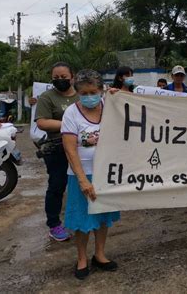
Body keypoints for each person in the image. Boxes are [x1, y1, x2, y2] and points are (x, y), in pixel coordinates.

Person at [62, 69, 120, 280]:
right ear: (77, 92)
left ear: (101, 90)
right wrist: (82, 179)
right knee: (82, 220)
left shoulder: (110, 106)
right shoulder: (71, 113)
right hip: (81, 174)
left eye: (93, 92)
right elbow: (70, 149)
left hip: (106, 173)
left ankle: (100, 254)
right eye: (84, 93)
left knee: (103, 217)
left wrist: (120, 95)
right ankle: (82, 258)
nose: (89, 97)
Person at [35, 62, 79, 242]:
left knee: (80, 184)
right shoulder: (47, 97)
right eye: (56, 78)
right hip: (57, 149)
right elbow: (42, 122)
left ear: (72, 77)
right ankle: (54, 225)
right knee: (57, 186)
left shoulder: (82, 94)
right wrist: (70, 125)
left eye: (64, 77)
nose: (60, 80)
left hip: (80, 148)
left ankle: (79, 219)